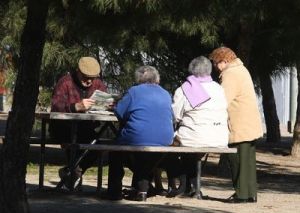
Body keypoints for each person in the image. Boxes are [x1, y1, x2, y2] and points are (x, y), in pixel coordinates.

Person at [107, 65, 174, 201]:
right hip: (165, 139)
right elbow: (170, 116)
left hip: (137, 137)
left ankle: (114, 192)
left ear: (138, 79)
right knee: (144, 156)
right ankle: (142, 189)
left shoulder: (134, 91)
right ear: (157, 79)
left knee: (115, 151)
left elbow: (120, 112)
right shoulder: (166, 93)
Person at [209, 47, 263, 203]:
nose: (215, 67)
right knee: (248, 162)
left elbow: (223, 99)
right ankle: (250, 193)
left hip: (240, 123)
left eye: (215, 62)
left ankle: (241, 194)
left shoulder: (230, 74)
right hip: (248, 123)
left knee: (237, 160)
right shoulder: (241, 69)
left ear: (223, 61)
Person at [171, 56, 229, 197]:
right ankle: (193, 188)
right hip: (219, 137)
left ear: (191, 70)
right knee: (190, 148)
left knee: (173, 145)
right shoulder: (219, 88)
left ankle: (184, 186)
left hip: (193, 136)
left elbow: (175, 115)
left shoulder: (184, 89)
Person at [49, 56, 107, 191]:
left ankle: (71, 172)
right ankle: (72, 174)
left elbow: (107, 101)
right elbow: (56, 107)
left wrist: (108, 105)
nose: (89, 81)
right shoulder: (65, 82)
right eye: (86, 77)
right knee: (75, 144)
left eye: (92, 78)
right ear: (77, 72)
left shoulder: (98, 84)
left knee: (97, 147)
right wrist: (76, 107)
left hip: (86, 128)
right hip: (63, 128)